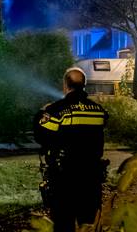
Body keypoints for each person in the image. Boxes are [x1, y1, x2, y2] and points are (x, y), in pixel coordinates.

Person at [34, 67, 109, 231]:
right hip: (91, 177)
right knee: (87, 223)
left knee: (63, 223)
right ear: (84, 85)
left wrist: (42, 112)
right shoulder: (98, 111)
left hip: (65, 179)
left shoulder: (57, 110)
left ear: (65, 86)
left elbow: (41, 135)